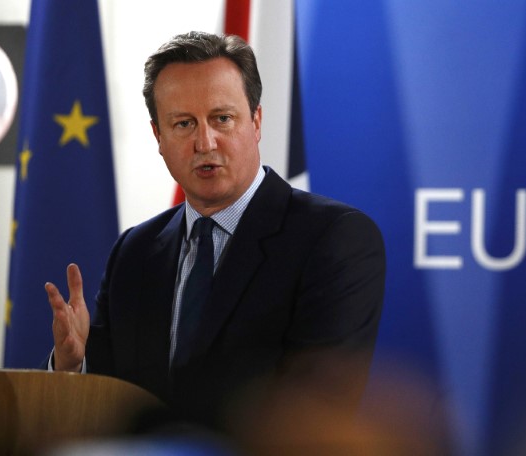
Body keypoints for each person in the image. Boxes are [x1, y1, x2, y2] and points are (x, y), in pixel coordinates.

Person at [44, 31, 386, 430]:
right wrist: (73, 365)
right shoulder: (134, 253)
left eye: (222, 119)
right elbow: (107, 403)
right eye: (184, 124)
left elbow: (317, 409)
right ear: (159, 136)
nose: (205, 142)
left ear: (256, 122)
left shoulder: (334, 239)